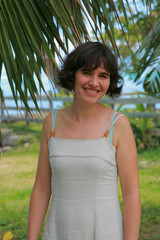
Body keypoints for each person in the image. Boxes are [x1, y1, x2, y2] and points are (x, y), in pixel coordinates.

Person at [27, 41, 141, 240]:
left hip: (105, 233)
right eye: (87, 72)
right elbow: (41, 188)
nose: (94, 83)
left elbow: (131, 194)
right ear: (73, 75)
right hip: (57, 232)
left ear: (110, 81)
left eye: (103, 76)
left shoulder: (119, 125)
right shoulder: (51, 123)